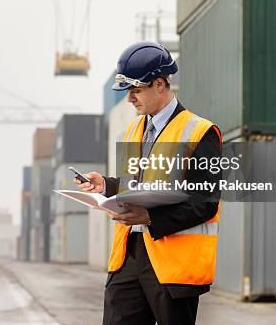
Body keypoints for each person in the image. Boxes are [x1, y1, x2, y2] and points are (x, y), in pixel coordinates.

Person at [75, 42, 222, 325]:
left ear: (159, 84)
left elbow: (205, 204)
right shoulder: (134, 130)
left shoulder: (200, 132)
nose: (130, 98)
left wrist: (150, 217)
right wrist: (105, 186)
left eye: (135, 90)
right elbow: (136, 185)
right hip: (128, 257)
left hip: (172, 263)